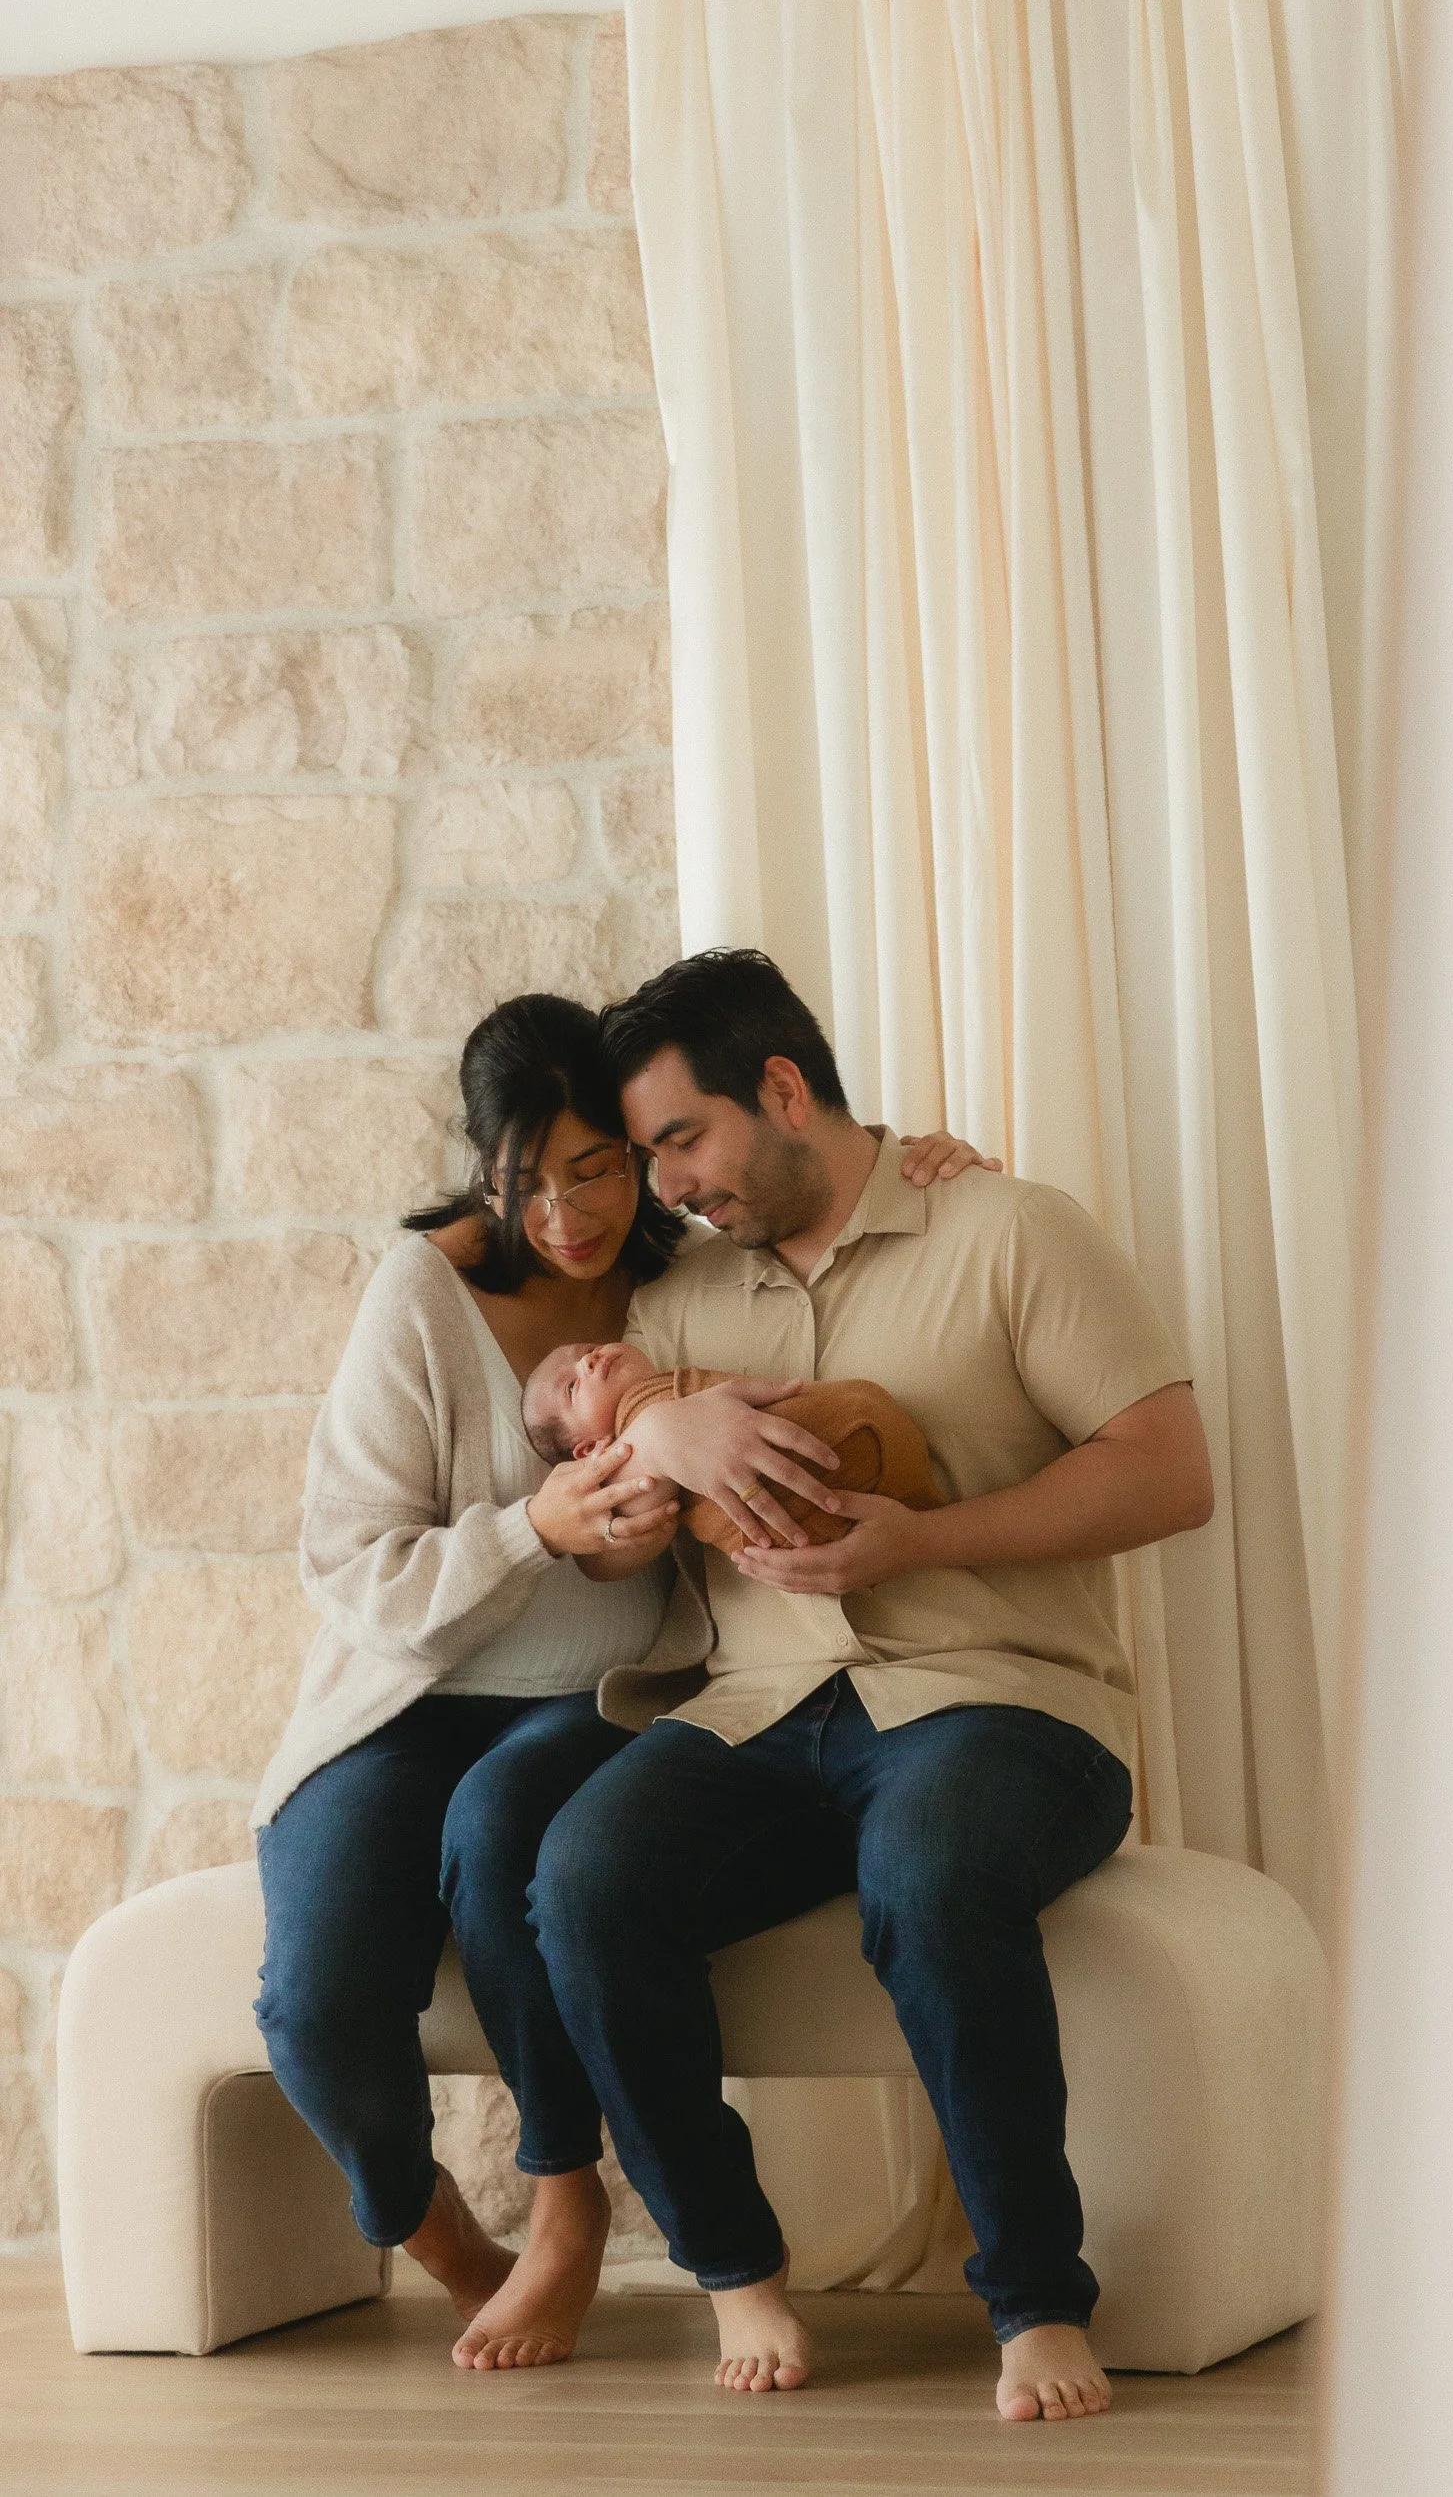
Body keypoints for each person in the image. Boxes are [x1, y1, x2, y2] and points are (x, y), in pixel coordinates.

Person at [251, 989, 993, 2375]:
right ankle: (450, 2248)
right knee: (312, 2003)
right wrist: (536, 1529)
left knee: (502, 1841)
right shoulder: (424, 1293)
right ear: (484, 1170)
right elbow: (348, 1565)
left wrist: (921, 1154)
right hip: (403, 1697)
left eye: (594, 1167)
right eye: (525, 1181)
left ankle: (565, 2205)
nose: (564, 1214)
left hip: (598, 1701)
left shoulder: (684, 1264)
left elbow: (818, 1190)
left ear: (636, 1154)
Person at [525, 950, 1216, 2425]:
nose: (667, 1185)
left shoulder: (1010, 1230)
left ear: (780, 1089)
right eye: (648, 1158)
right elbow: (585, 1503)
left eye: (680, 1141)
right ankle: (731, 2268)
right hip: (753, 1717)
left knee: (929, 1869)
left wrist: (928, 1539)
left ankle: (1033, 2299)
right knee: (581, 1876)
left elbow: (1168, 1473)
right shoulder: (683, 1304)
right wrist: (654, 1444)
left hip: (1001, 1699)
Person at [520, 1338, 942, 1554]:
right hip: (824, 1500)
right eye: (573, 1386)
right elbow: (633, 1510)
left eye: (588, 1350)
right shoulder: (621, 1465)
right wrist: (653, 1437)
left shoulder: (668, 1388)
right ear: (586, 1449)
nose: (588, 1360)